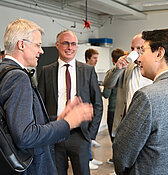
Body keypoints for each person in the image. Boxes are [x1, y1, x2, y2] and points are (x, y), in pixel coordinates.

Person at [0, 19, 93, 175]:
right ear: (21, 45)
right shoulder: (18, 78)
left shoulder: (4, 71)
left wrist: (58, 119)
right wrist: (68, 123)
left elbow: (17, 122)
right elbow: (25, 136)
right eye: (38, 45)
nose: (41, 51)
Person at [38, 30, 103, 175]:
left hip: (80, 134)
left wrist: (91, 134)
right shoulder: (46, 71)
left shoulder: (88, 70)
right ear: (57, 45)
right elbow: (40, 105)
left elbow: (98, 103)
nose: (69, 47)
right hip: (55, 132)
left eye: (73, 44)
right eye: (65, 43)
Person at [113, 28, 168, 175]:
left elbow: (123, 152)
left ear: (159, 53)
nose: (138, 58)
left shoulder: (147, 97)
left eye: (143, 51)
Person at [103, 33, 152, 138]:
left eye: (139, 48)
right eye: (132, 48)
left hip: (148, 127)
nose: (134, 52)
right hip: (126, 125)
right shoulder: (127, 68)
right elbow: (108, 84)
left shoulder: (155, 70)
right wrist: (117, 68)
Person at [102, 48, 127, 165]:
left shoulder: (112, 73)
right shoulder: (128, 72)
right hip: (125, 111)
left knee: (115, 139)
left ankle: (116, 162)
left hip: (113, 110)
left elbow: (106, 94)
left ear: (112, 59)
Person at [85, 48, 103, 170]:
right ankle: (88, 160)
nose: (96, 60)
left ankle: (90, 158)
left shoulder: (92, 71)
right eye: (94, 58)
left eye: (97, 58)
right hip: (86, 108)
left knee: (89, 135)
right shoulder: (84, 71)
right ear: (88, 58)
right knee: (85, 136)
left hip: (92, 107)